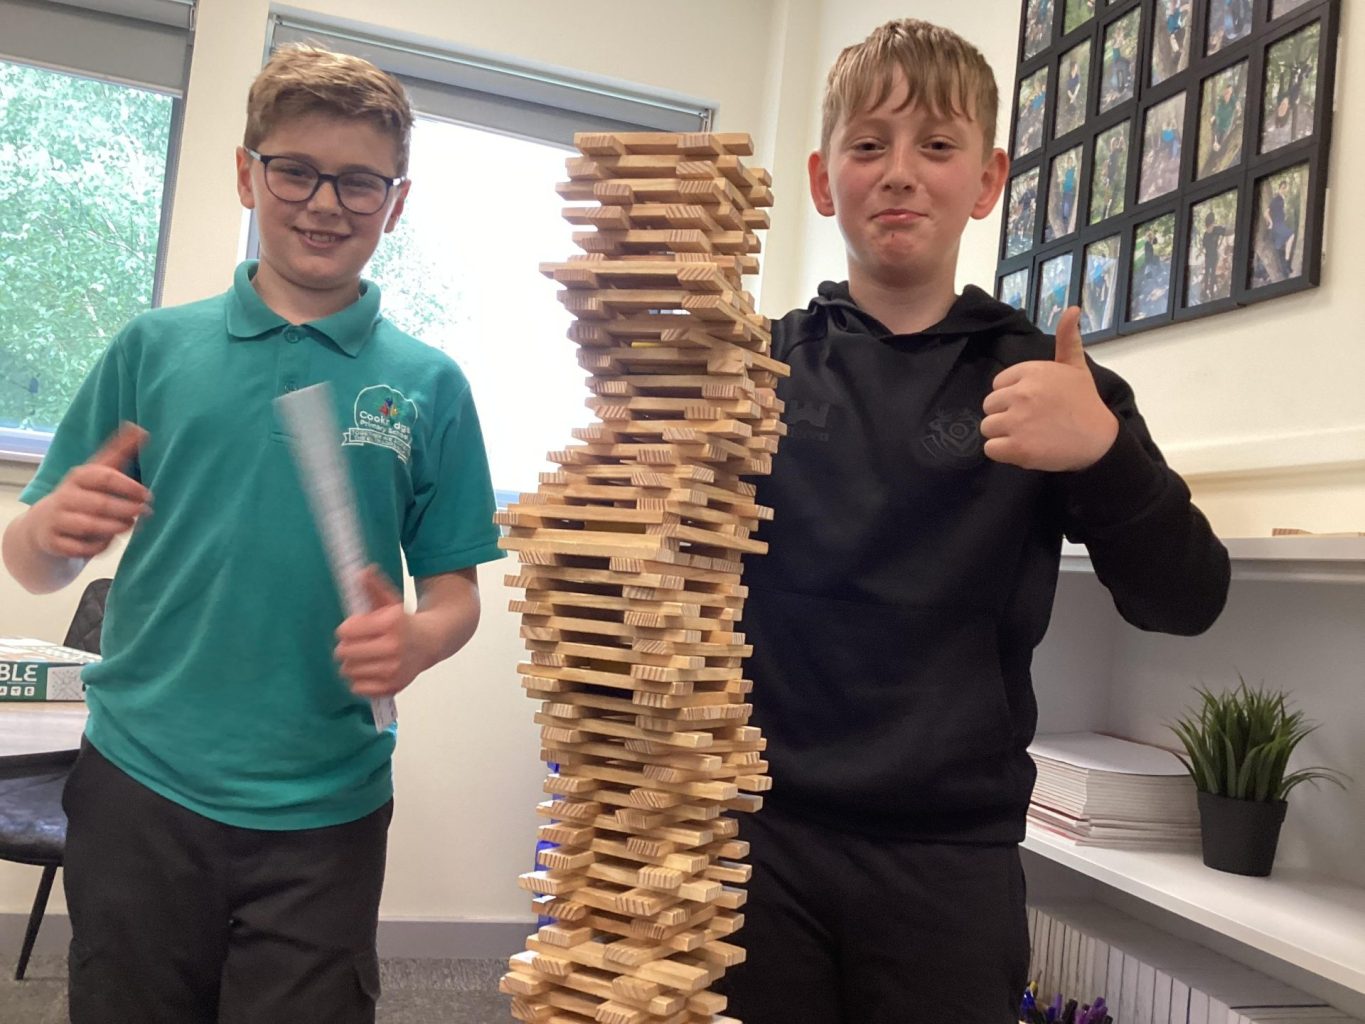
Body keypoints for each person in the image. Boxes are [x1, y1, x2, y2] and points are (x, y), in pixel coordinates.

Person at [715, 18, 1229, 1024]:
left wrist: (1104, 453)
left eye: (937, 145)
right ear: (823, 179)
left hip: (950, 859)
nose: (900, 172)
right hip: (756, 838)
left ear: (987, 180)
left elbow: (1187, 600)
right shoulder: (752, 374)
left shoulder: (1050, 384)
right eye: (870, 144)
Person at [0, 45, 503, 1024]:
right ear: (247, 173)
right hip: (142, 783)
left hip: (328, 805)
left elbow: (455, 594)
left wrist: (419, 638)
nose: (325, 203)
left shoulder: (429, 385)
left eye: (359, 181)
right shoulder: (154, 348)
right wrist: (49, 531)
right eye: (295, 171)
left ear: (396, 202)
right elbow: (35, 562)